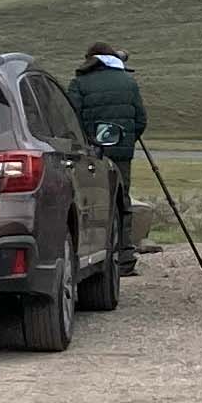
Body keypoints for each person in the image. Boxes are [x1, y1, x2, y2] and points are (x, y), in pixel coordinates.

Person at [68, 43, 147, 272]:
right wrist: (125, 141)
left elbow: (71, 118)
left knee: (93, 202)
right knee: (122, 202)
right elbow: (141, 120)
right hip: (122, 155)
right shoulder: (128, 83)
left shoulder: (79, 83)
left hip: (91, 155)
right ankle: (124, 258)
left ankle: (94, 255)